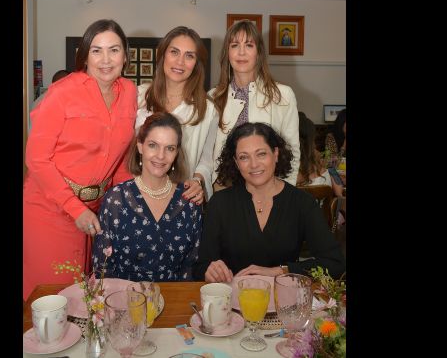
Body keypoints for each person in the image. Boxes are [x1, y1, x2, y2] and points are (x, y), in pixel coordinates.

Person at [23, 19, 137, 300]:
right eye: (96, 50)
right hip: (50, 208)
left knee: (88, 299)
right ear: (84, 56)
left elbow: (122, 156)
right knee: (53, 299)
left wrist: (126, 200)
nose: (106, 60)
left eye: (114, 50)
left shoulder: (130, 93)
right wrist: (75, 209)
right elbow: (36, 159)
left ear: (125, 55)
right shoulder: (62, 93)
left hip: (97, 212)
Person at [192, 122, 345, 283]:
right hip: (233, 300)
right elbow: (201, 267)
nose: (254, 164)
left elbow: (335, 264)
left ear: (276, 153)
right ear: (236, 163)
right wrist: (209, 272)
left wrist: (281, 271)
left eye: (261, 154)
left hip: (284, 301)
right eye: (244, 157)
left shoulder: (302, 203)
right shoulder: (220, 203)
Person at [92, 112, 203, 281]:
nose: (160, 155)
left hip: (176, 300)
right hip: (125, 301)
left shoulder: (189, 200)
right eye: (153, 145)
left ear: (176, 153)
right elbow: (103, 268)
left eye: (170, 148)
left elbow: (192, 266)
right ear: (140, 146)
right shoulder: (116, 200)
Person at [209, 20, 300, 189]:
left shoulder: (283, 95)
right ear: (227, 53)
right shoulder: (213, 97)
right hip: (224, 189)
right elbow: (207, 153)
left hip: (269, 187)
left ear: (258, 53)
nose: (241, 52)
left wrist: (286, 195)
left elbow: (292, 150)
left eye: (249, 45)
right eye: (235, 45)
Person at [136, 26, 217, 202]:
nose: (180, 62)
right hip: (137, 196)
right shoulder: (138, 97)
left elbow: (207, 160)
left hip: (181, 199)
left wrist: (197, 180)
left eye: (189, 56)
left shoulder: (208, 109)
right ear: (163, 54)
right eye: (174, 52)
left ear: (197, 64)